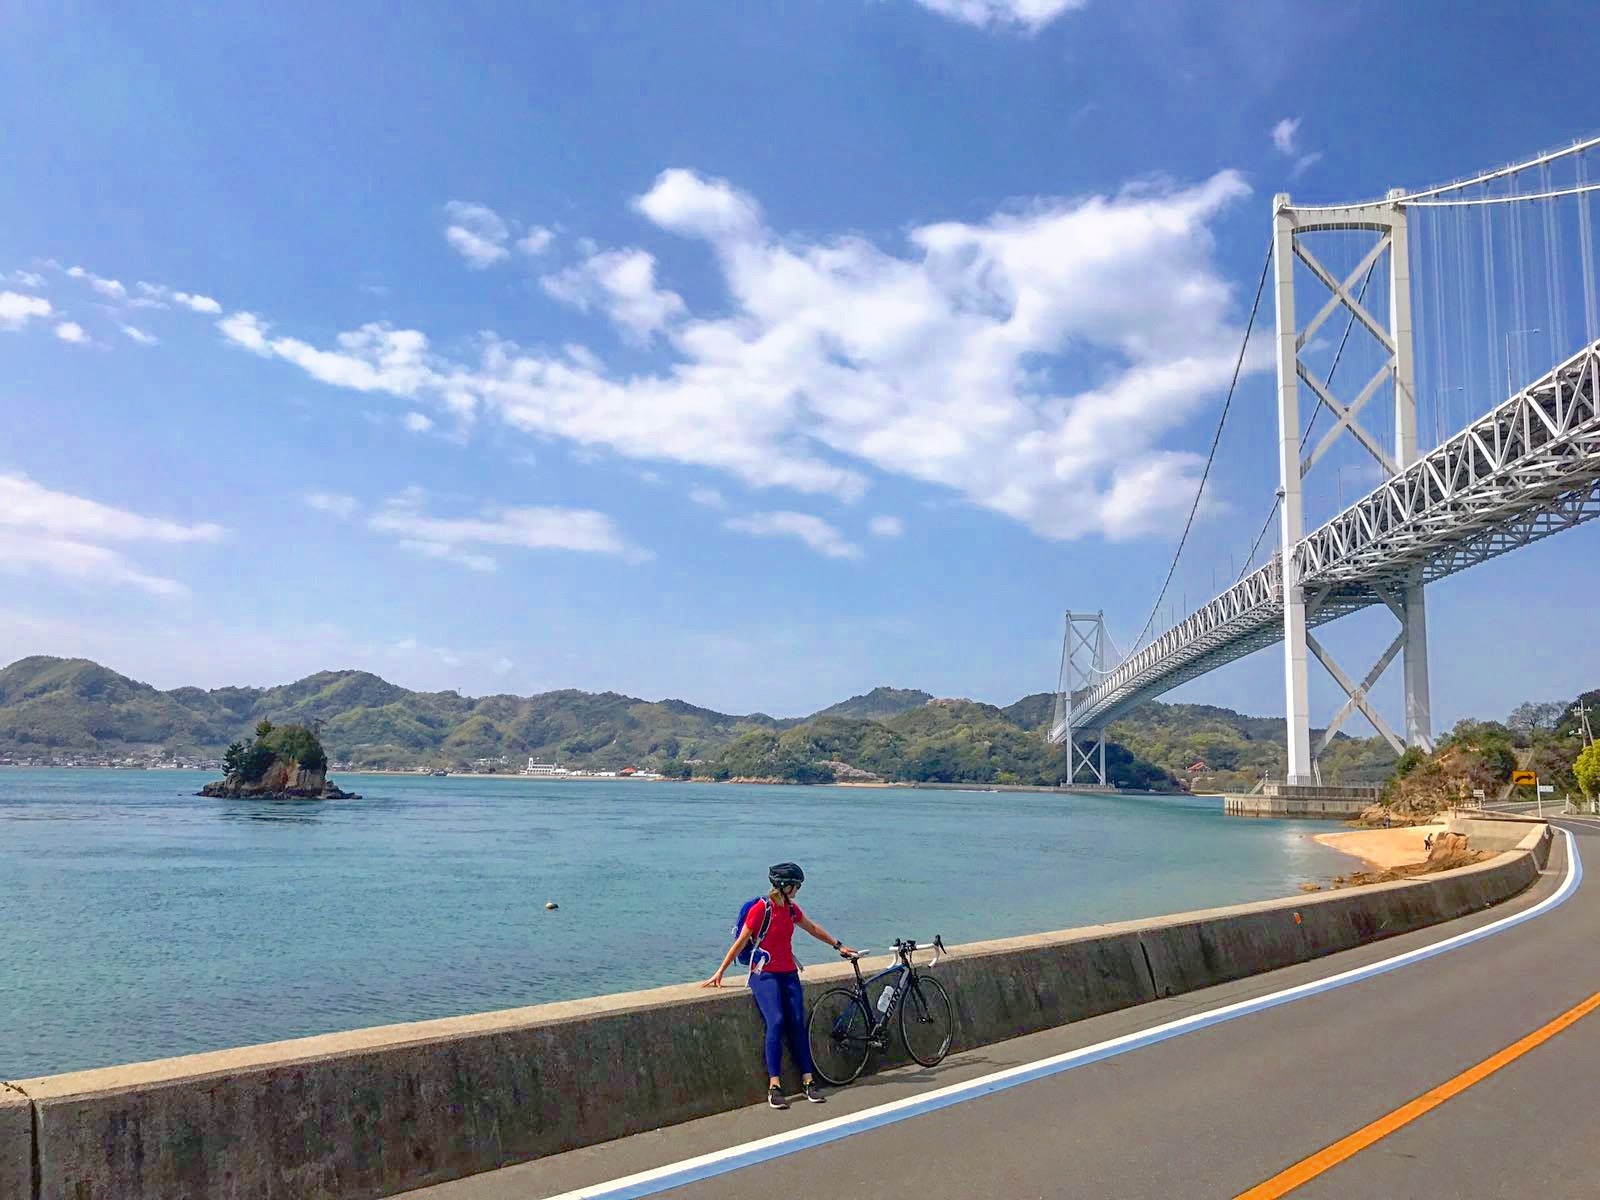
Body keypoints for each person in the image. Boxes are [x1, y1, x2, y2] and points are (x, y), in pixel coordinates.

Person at [702, 862, 857, 1109]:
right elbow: (742, 941)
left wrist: (838, 945)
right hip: (763, 975)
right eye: (797, 886)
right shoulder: (761, 909)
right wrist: (720, 971)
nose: (798, 890)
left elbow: (812, 928)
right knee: (775, 1021)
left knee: (797, 1022)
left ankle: (807, 1080)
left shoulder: (791, 910)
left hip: (788, 973)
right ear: (786, 886)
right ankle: (774, 1085)